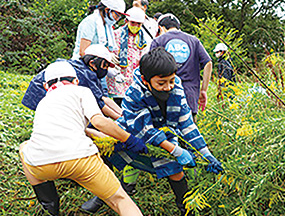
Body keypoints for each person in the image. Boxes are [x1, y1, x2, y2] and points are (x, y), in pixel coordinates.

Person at [81, 47, 223, 215]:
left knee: (174, 169)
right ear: (145, 80)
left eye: (171, 81)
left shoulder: (176, 87)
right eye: (161, 83)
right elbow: (145, 130)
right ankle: (108, 195)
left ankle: (186, 208)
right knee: (120, 158)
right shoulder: (134, 94)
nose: (168, 87)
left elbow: (186, 123)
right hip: (133, 135)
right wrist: (176, 150)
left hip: (164, 133)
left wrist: (205, 153)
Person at [19, 61, 146, 216]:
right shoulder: (81, 91)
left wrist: (111, 140)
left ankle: (50, 207)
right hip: (80, 160)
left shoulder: (43, 102)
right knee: (120, 200)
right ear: (76, 81)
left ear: (46, 86)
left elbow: (80, 129)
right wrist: (129, 139)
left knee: (24, 147)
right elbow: (99, 121)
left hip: (41, 165)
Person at [22, 44, 122, 120]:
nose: (106, 70)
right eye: (105, 66)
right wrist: (121, 121)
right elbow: (100, 106)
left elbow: (103, 97)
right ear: (92, 63)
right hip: (41, 92)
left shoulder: (86, 68)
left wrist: (122, 114)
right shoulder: (83, 75)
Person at [150, 13, 213, 120]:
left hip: (165, 94)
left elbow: (150, 66)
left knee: (167, 132)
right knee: (189, 132)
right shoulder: (194, 40)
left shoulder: (158, 41)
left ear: (161, 28)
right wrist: (203, 90)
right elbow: (208, 63)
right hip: (190, 95)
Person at [72, 0, 127, 96]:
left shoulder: (106, 26)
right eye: (117, 15)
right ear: (107, 10)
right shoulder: (90, 23)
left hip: (98, 69)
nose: (118, 19)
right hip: (84, 69)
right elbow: (83, 51)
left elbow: (104, 47)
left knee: (103, 95)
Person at [106, 7, 147, 106]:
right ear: (126, 21)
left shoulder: (143, 38)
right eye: (133, 23)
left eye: (139, 24)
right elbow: (109, 51)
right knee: (120, 106)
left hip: (135, 77)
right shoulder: (116, 34)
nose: (136, 26)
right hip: (119, 76)